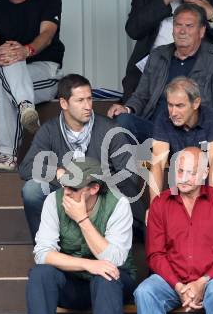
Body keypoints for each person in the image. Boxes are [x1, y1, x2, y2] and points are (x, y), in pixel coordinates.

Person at [19, 74, 144, 240]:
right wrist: (57, 173)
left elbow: (130, 174)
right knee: (32, 190)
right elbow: (26, 167)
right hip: (65, 194)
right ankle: (46, 249)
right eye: (80, 100)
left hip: (100, 196)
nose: (87, 106)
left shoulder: (109, 128)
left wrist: (95, 185)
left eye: (89, 99)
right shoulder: (49, 130)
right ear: (64, 103)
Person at [134, 147, 213, 314]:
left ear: (205, 173)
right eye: (180, 170)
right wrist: (178, 286)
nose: (183, 178)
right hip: (171, 282)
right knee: (145, 291)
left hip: (210, 281)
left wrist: (202, 282)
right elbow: (155, 254)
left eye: (192, 173)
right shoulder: (160, 203)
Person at [26, 157, 136, 314]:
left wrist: (82, 219)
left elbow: (115, 259)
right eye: (65, 185)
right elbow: (42, 254)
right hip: (72, 284)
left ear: (94, 189)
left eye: (74, 188)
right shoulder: (54, 200)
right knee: (40, 273)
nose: (67, 192)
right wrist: (88, 264)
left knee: (106, 274)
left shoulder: (118, 204)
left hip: (111, 288)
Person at [107, 3, 213, 143]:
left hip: (195, 134)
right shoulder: (158, 55)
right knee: (123, 120)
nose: (182, 31)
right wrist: (127, 109)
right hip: (156, 131)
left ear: (202, 31)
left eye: (189, 26)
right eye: (178, 25)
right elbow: (141, 96)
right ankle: (131, 164)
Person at [0, 0, 65, 171]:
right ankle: (25, 106)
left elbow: (47, 35)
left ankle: (7, 154)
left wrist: (26, 50)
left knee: (9, 81)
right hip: (2, 71)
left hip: (41, 72)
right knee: (8, 56)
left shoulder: (49, 0)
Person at [119, 0, 213, 104]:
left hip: (195, 66)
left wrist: (212, 16)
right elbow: (133, 30)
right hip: (152, 66)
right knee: (132, 100)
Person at [149, 76, 213, 203]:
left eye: (180, 106)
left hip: (206, 189)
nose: (173, 112)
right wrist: (154, 207)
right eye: (170, 105)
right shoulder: (163, 118)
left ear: (196, 103)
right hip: (179, 190)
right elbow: (157, 163)